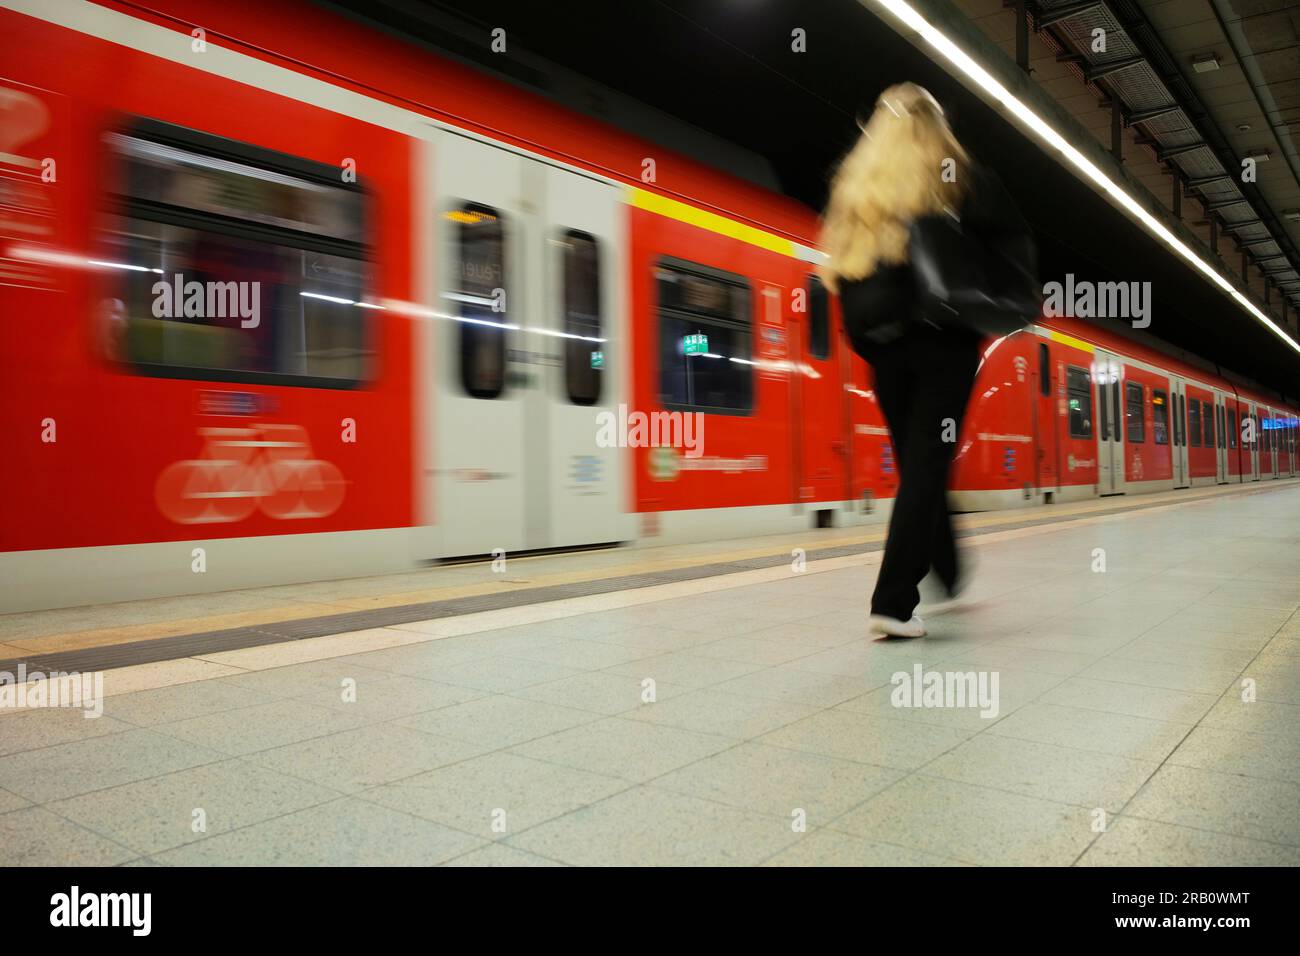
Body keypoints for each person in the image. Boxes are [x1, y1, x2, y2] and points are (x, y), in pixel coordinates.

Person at [818, 82, 1034, 638]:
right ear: (936, 126)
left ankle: (949, 568)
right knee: (926, 465)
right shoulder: (956, 178)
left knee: (919, 465)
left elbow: (841, 271)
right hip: (943, 345)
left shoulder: (858, 188)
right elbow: (1003, 253)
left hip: (885, 352)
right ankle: (892, 600)